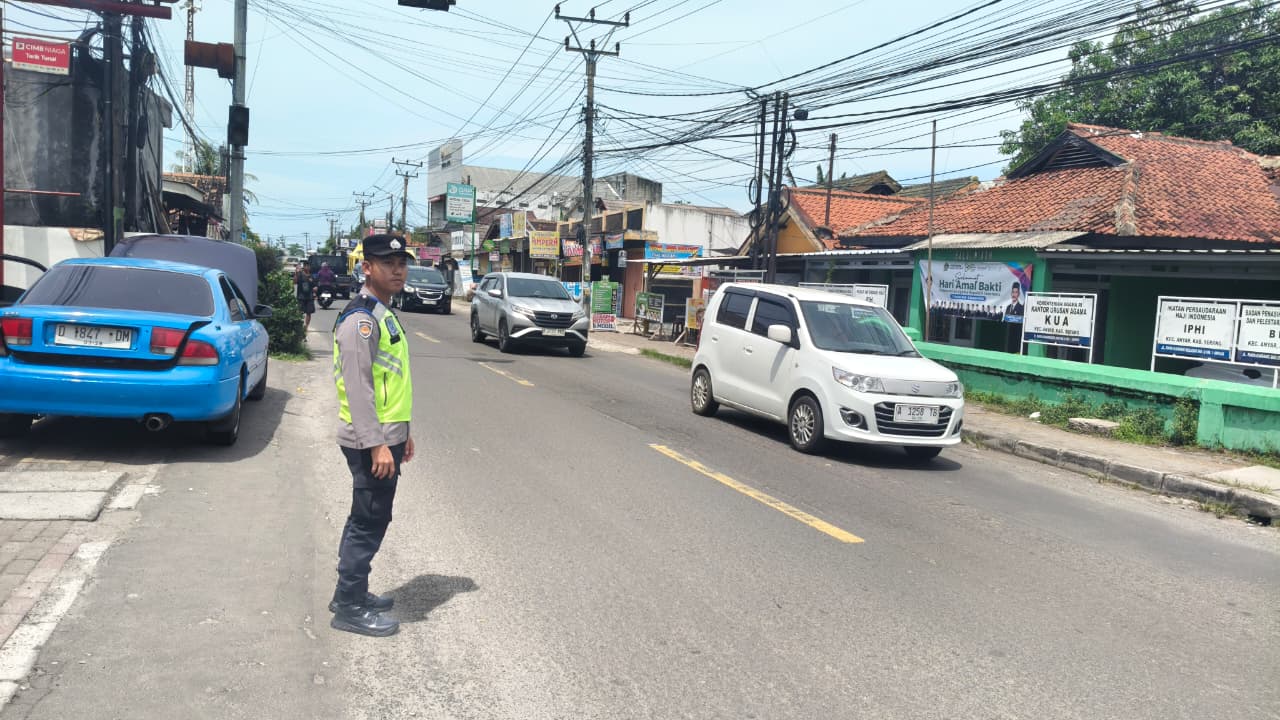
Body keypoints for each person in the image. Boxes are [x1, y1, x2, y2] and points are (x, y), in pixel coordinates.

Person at [328, 233, 415, 637]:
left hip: (386, 435)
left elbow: (391, 383)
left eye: (402, 263)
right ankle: (349, 606)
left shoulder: (383, 312)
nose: (397, 270)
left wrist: (403, 432)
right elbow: (359, 389)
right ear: (367, 268)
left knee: (367, 515)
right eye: (387, 263)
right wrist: (378, 443)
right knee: (369, 520)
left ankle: (351, 593)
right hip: (369, 440)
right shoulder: (360, 321)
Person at [295, 266, 316, 332]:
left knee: (309, 312)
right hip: (301, 297)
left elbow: (315, 285)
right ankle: (298, 326)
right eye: (306, 266)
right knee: (299, 312)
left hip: (310, 297)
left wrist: (315, 289)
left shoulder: (311, 276)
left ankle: (306, 326)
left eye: (308, 266)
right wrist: (296, 273)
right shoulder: (300, 275)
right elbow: (295, 281)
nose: (307, 267)